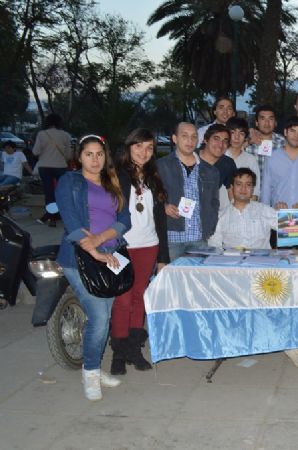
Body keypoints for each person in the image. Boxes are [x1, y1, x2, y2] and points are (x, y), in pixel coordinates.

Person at [55, 135, 130, 401]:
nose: (95, 159)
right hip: (80, 258)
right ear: (80, 156)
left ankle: (95, 369)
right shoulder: (70, 182)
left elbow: (124, 218)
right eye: (89, 154)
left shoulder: (112, 182)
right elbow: (72, 222)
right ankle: (90, 373)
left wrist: (102, 242)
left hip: (110, 256)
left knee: (104, 316)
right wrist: (94, 250)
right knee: (99, 318)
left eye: (99, 154)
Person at [111, 129, 170, 375]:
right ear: (128, 147)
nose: (144, 152)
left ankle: (134, 349)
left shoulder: (154, 178)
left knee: (139, 299)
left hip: (149, 245)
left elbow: (160, 219)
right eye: (138, 146)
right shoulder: (115, 175)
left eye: (149, 148)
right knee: (122, 300)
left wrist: (163, 258)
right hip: (122, 246)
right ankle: (119, 351)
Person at [157, 122, 220, 260]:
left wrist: (210, 227)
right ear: (175, 139)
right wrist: (163, 206)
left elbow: (214, 203)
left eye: (193, 137)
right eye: (184, 136)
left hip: (198, 238)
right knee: (172, 280)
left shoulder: (210, 171)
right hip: (171, 237)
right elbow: (151, 195)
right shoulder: (160, 166)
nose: (190, 141)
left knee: (197, 280)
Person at [208, 168, 277, 249]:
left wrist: (287, 213)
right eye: (239, 184)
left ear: (252, 189)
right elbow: (214, 248)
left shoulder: (265, 211)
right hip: (232, 260)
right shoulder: (220, 216)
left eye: (248, 185)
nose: (243, 189)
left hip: (261, 260)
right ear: (232, 187)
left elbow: (291, 231)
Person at [32, 113, 72, 226]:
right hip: (60, 167)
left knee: (49, 193)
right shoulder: (65, 135)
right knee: (62, 193)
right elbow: (69, 155)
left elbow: (35, 152)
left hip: (45, 167)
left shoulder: (41, 134)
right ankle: (64, 215)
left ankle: (52, 217)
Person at [199, 124, 237, 209]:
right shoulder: (190, 158)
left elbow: (233, 193)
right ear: (206, 140)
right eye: (216, 139)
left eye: (225, 141)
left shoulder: (227, 163)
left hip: (208, 211)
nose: (220, 145)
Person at [246, 104, 286, 179]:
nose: (267, 123)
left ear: (275, 122)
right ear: (257, 123)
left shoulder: (283, 142)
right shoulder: (247, 142)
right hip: (253, 189)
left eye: (270, 119)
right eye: (262, 119)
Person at [225, 117, 261, 200]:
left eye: (241, 133)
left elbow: (255, 192)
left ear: (245, 137)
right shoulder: (219, 156)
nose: (237, 137)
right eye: (233, 132)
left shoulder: (250, 160)